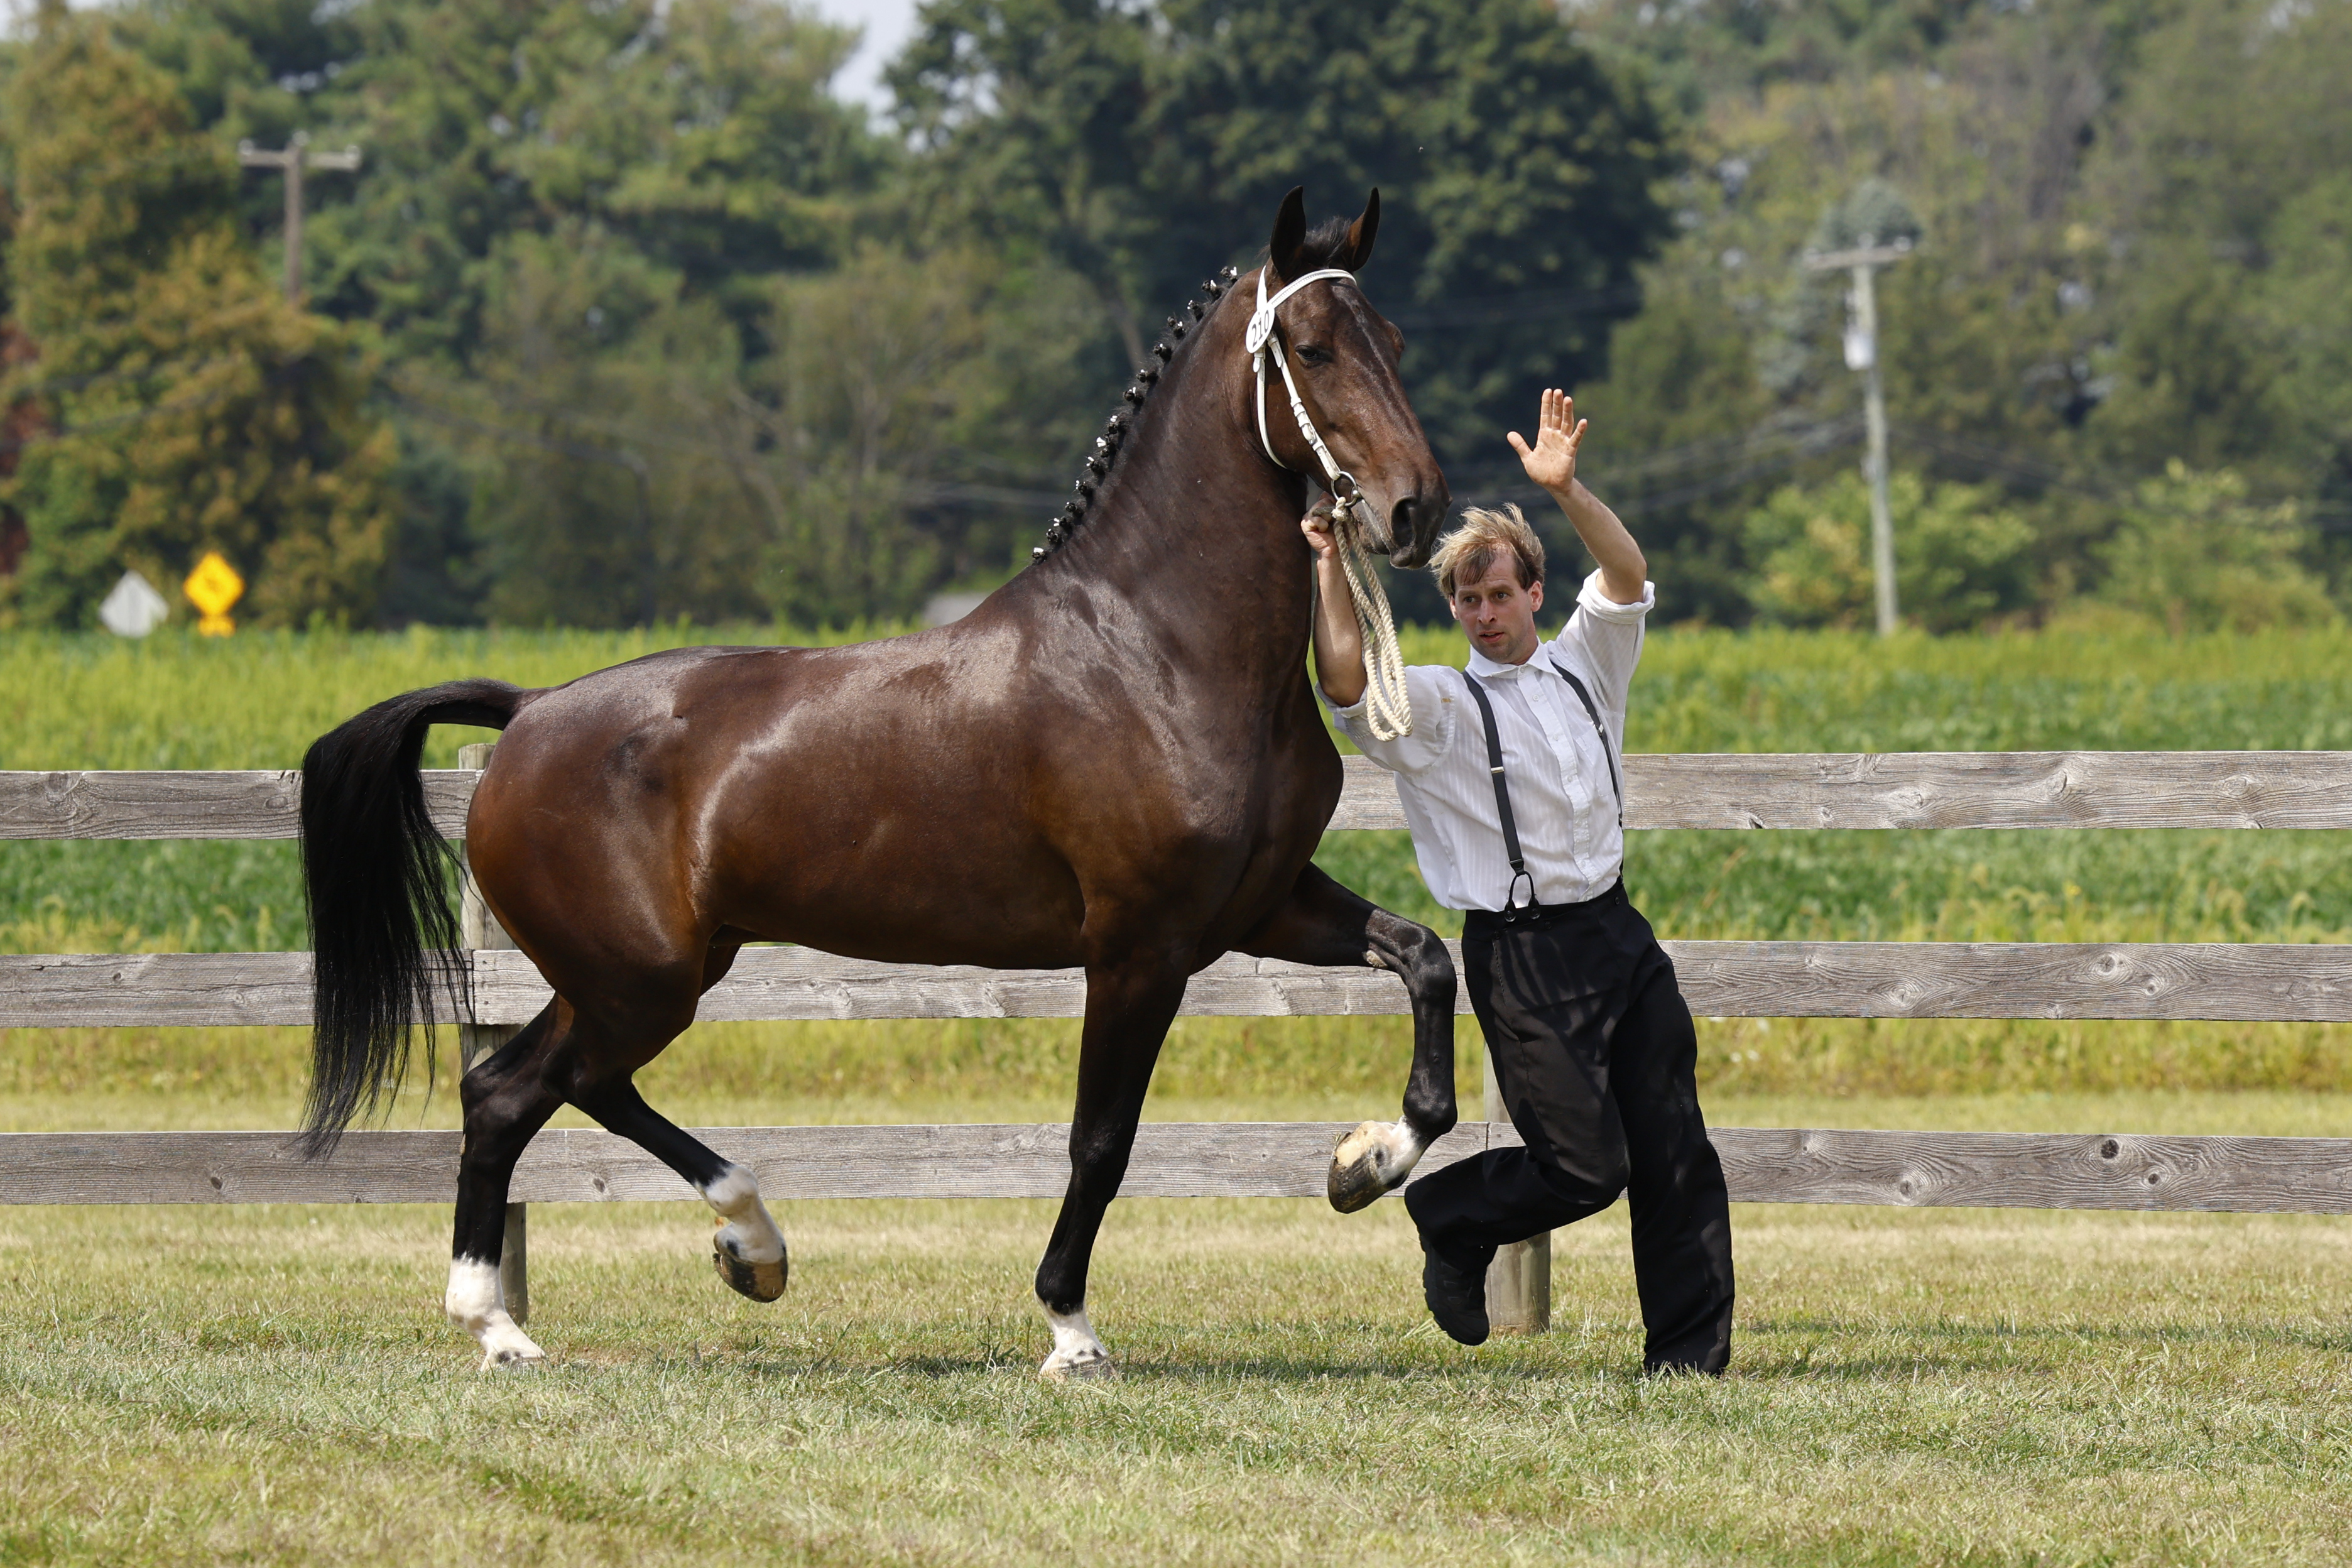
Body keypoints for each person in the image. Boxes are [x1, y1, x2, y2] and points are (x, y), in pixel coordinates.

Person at [1304, 388, 1735, 1375]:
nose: (1485, 614)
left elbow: (1626, 573)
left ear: (1534, 592)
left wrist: (1568, 488)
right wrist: (1331, 567)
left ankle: (1688, 1359)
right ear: (1453, 608)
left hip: (1620, 940)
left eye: (1500, 594)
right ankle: (1449, 1214)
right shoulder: (1445, 707)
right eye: (1467, 600)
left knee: (1678, 1156)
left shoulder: (1591, 663)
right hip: (1524, 955)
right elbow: (1344, 685)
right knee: (1588, 1168)